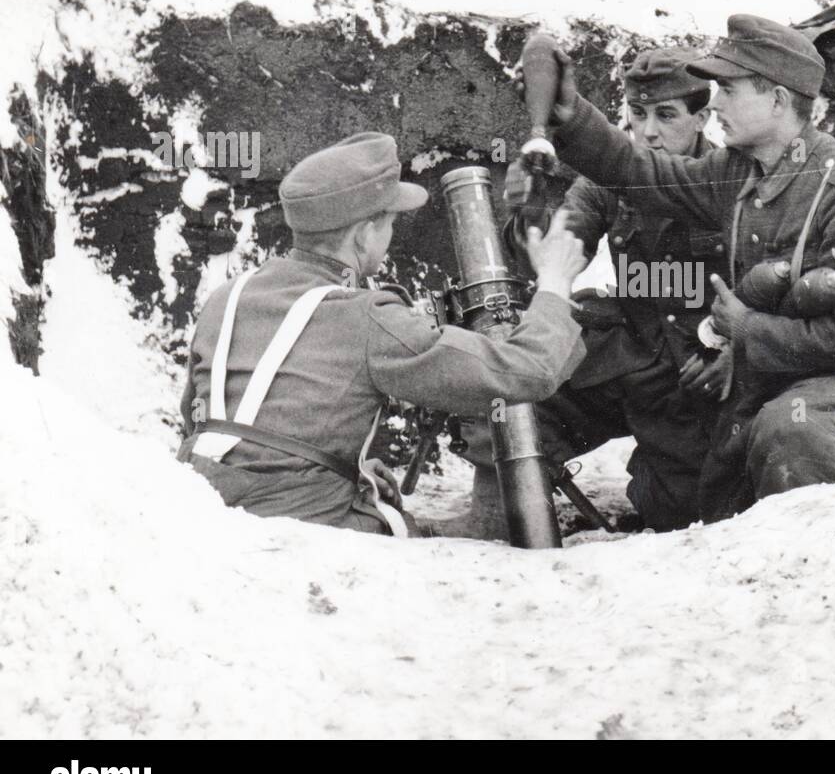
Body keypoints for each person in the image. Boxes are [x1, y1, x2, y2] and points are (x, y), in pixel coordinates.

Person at [525, 15, 835, 517]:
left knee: (793, 433)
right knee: (692, 502)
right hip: (767, 379)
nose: (715, 102)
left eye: (728, 90)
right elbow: (642, 172)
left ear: (778, 99)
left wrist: (747, 330)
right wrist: (570, 118)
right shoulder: (738, 171)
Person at [177, 131, 587, 536]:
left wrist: (335, 464)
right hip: (300, 531)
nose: (390, 234)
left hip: (203, 505)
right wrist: (553, 284)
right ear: (362, 234)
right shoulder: (365, 316)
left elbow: (208, 422)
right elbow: (525, 372)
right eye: (389, 222)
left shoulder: (227, 297)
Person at [457, 48, 729, 535]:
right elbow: (558, 253)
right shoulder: (610, 178)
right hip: (630, 355)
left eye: (666, 116)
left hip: (694, 375)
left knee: (681, 514)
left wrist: (728, 346)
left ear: (702, 118)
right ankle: (501, 517)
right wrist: (532, 211)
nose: (648, 131)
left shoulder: (727, 178)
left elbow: (766, 287)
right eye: (637, 114)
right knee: (516, 398)